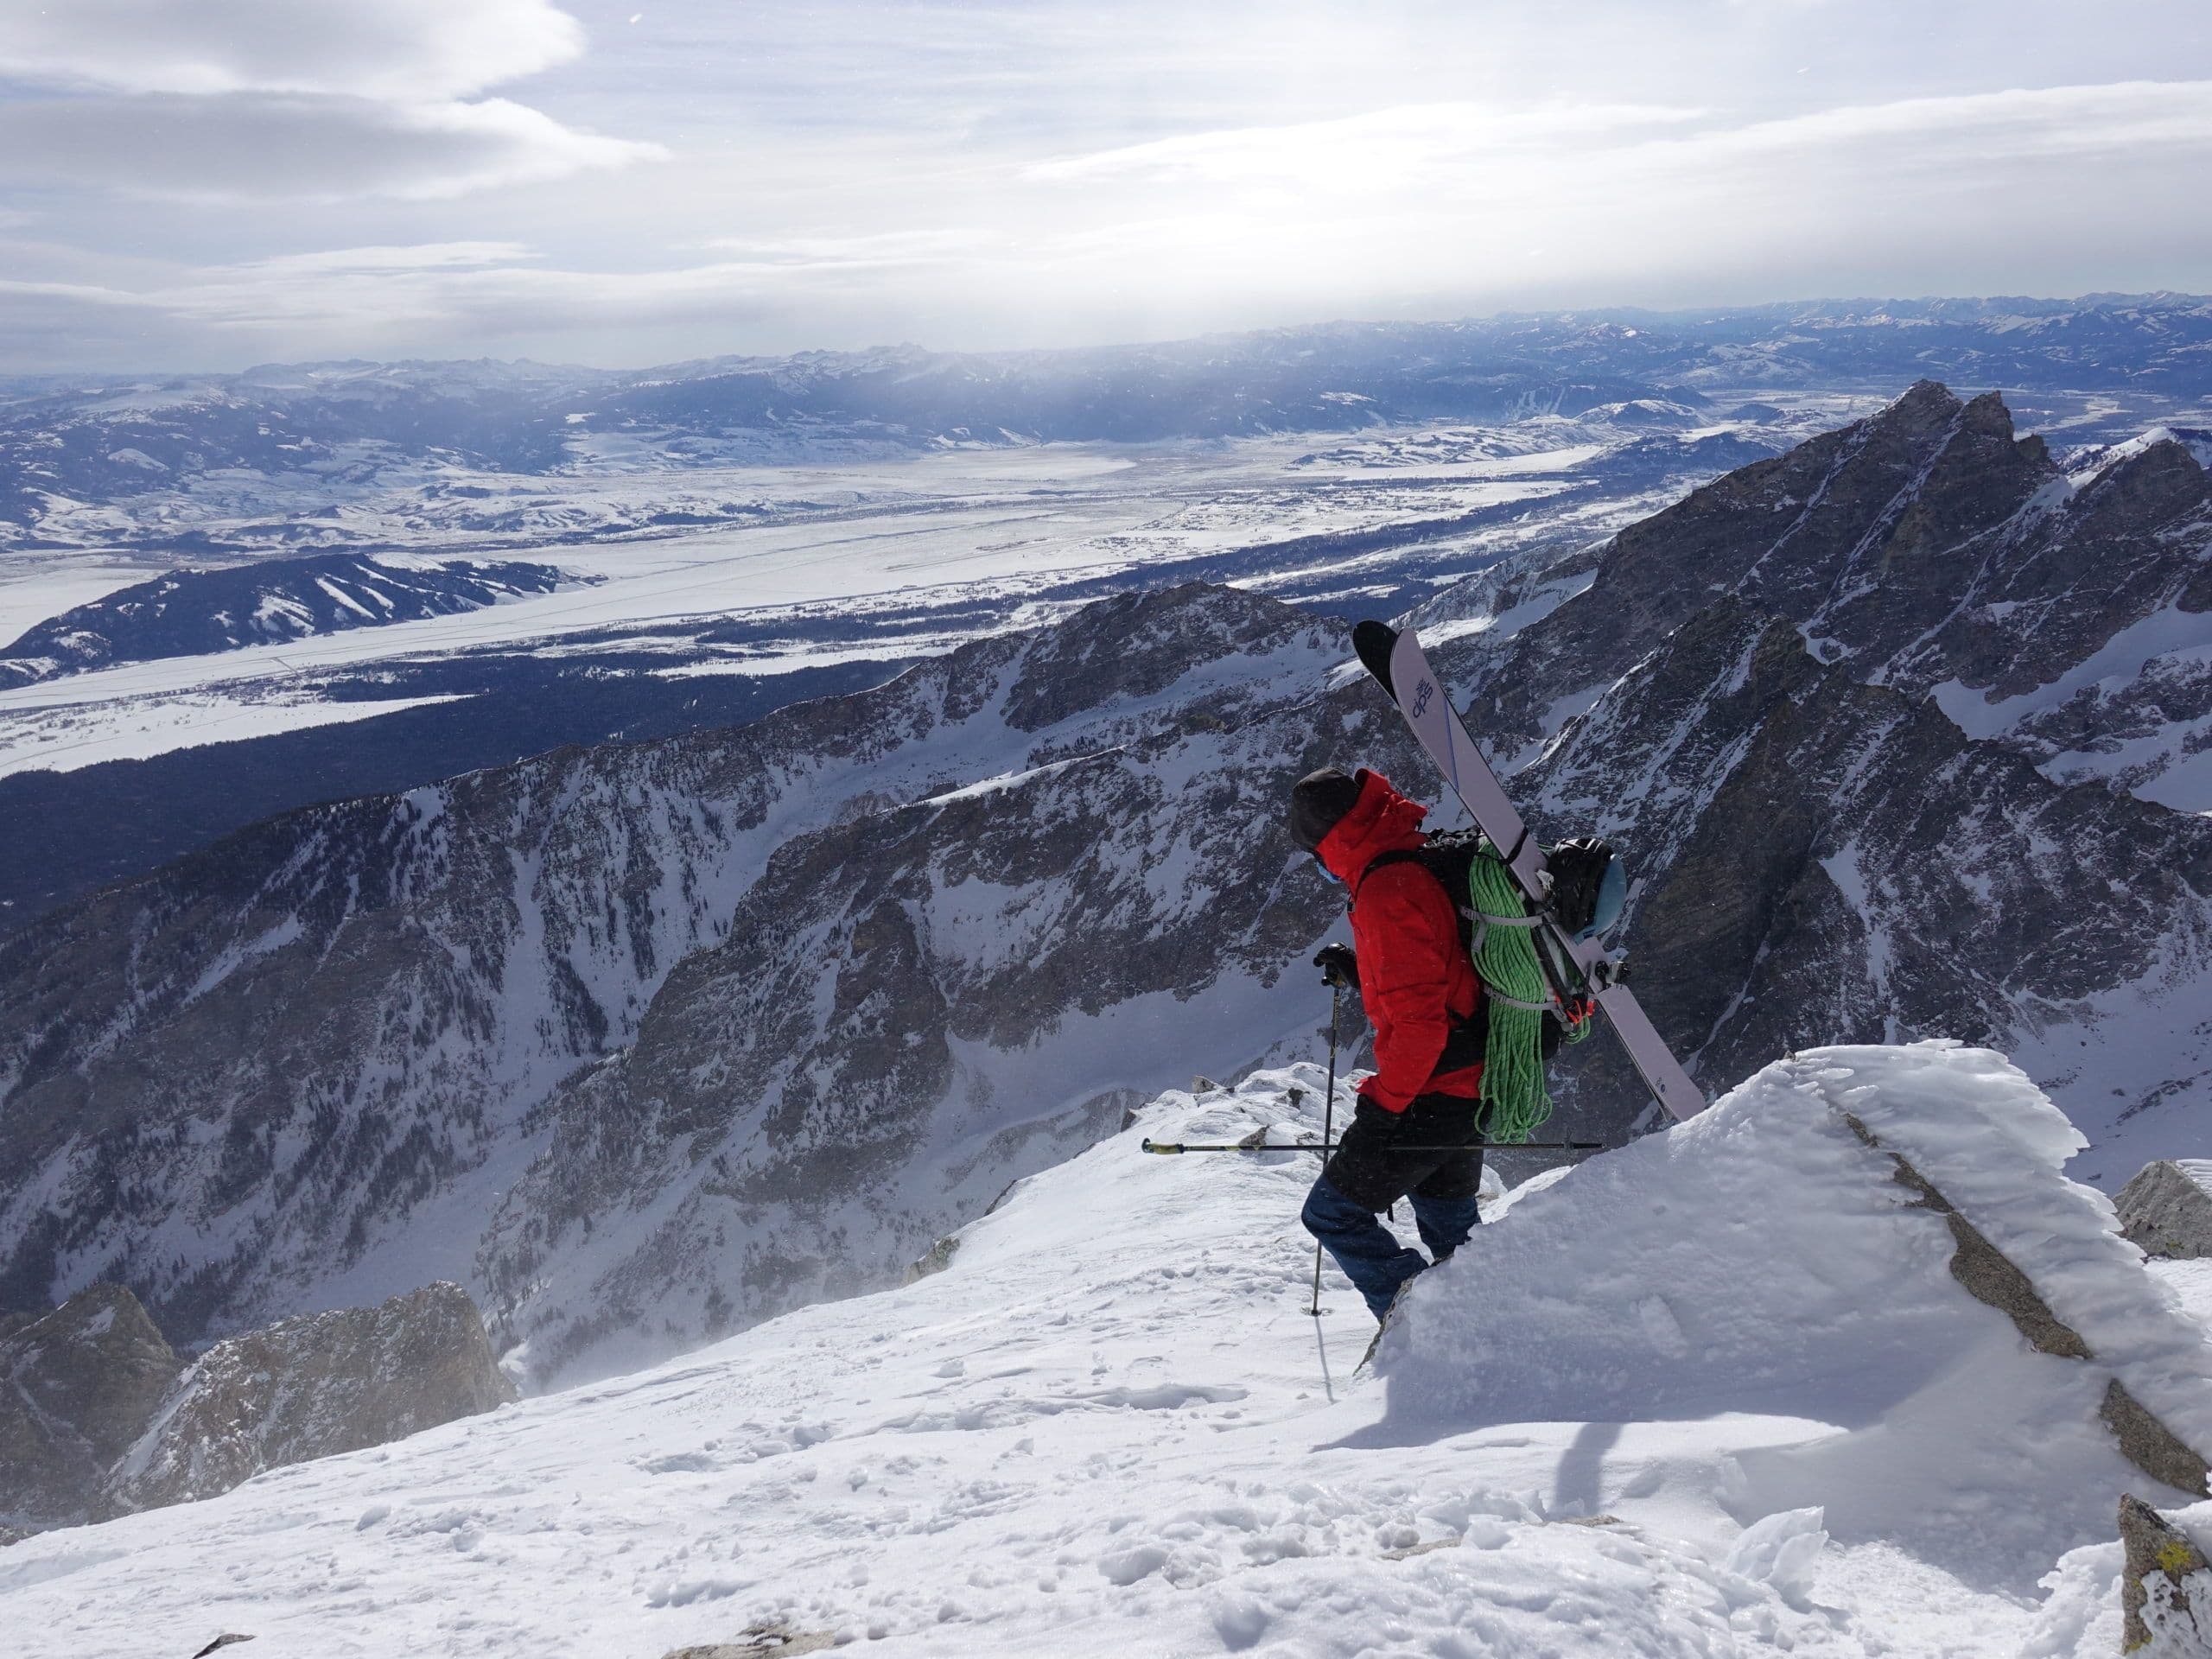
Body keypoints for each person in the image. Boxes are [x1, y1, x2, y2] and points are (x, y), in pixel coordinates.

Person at [1289, 765, 1488, 1321]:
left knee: (1332, 1214)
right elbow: (1443, 969)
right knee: (1451, 1229)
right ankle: (1488, 1319)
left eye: (1316, 856)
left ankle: (1418, 1325)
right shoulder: (1410, 857)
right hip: (1470, 1082)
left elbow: (1421, 1028)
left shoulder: (1384, 890)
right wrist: (1362, 971)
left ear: (1329, 843)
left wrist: (1381, 1109)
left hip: (1431, 1093)